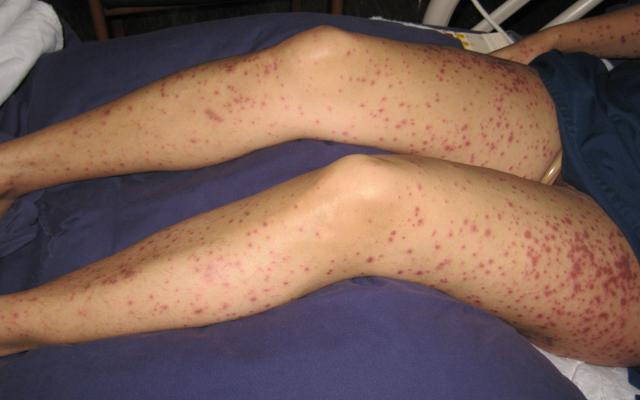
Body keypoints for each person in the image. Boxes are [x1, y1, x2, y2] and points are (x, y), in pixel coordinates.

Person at [0, 4, 639, 367]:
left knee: (372, 198)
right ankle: (11, 168)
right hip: (612, 114)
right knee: (323, 59)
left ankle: (15, 325)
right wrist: (553, 40)